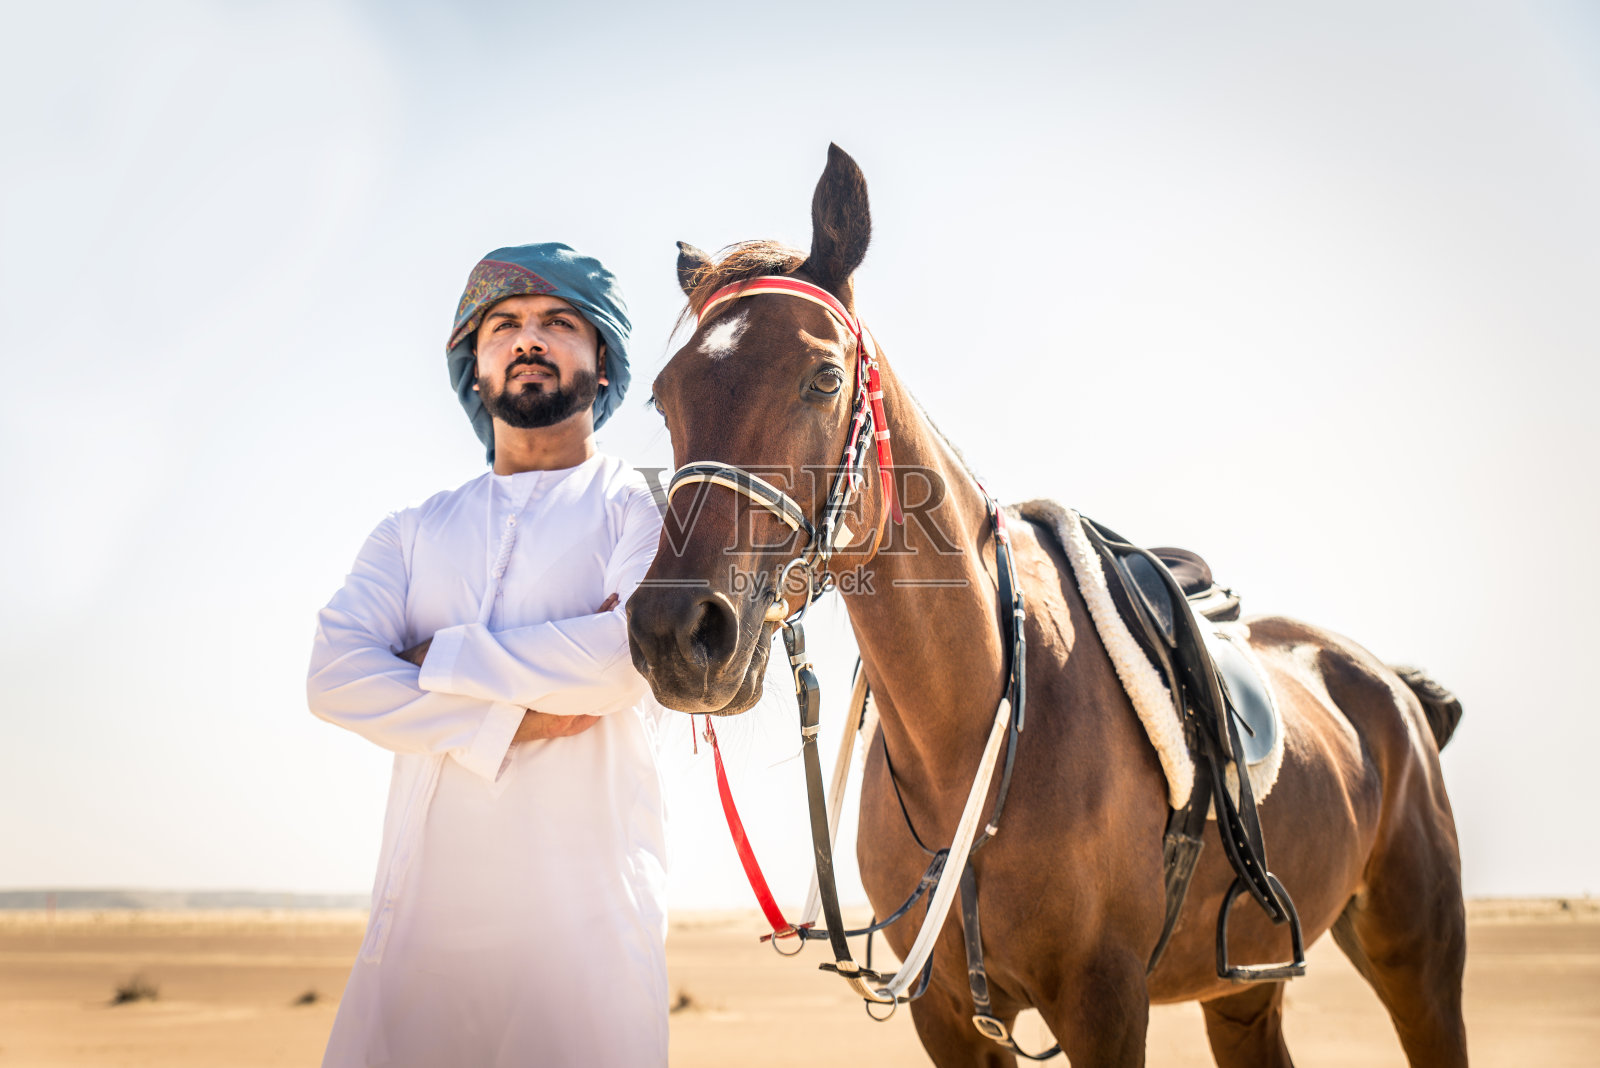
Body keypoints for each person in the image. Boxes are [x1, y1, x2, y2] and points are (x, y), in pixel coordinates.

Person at [307, 243, 669, 1067]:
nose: (527, 339)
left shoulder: (642, 514)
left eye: (558, 323)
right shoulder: (412, 530)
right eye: (503, 325)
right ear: (474, 368)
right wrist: (503, 722)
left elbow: (622, 660)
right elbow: (333, 678)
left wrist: (434, 656)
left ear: (602, 360)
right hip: (415, 946)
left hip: (586, 947)